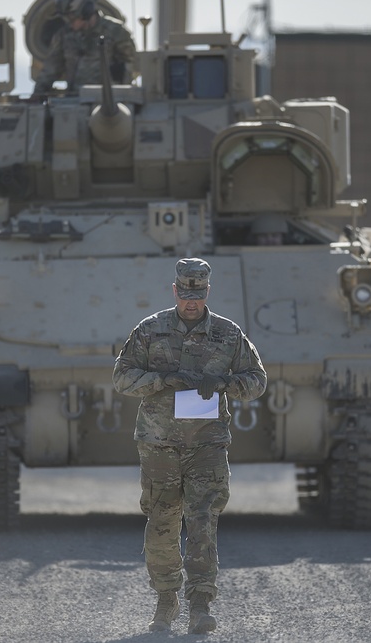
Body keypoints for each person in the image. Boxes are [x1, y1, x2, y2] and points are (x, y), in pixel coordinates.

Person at [113, 258, 267, 634]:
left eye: (197, 295)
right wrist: (163, 379)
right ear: (175, 291)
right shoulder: (150, 330)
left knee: (202, 522)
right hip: (159, 443)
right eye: (185, 295)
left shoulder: (229, 335)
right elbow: (122, 378)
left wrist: (225, 383)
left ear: (207, 293)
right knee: (162, 523)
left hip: (207, 444)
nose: (191, 302)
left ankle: (201, 604)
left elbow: (257, 380)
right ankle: (166, 599)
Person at [32, 0, 137, 98]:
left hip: (108, 104)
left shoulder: (116, 31)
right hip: (74, 102)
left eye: (71, 17)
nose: (69, 22)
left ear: (86, 10)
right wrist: (37, 96)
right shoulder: (64, 36)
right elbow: (50, 70)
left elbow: (132, 65)